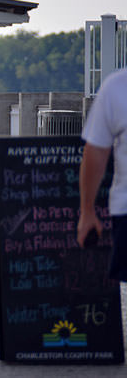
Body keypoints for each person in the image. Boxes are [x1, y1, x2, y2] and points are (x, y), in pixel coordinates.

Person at [77, 68, 127, 283]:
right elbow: (95, 151)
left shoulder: (117, 86)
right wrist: (87, 211)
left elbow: (96, 150)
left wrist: (87, 211)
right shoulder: (116, 87)